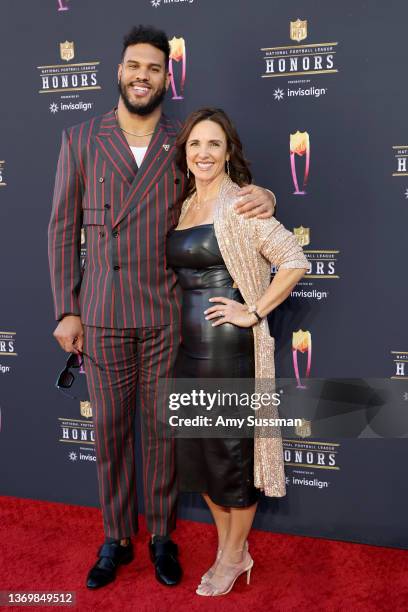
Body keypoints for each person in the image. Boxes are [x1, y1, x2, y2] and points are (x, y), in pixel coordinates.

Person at [47, 26, 277, 590]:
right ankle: (117, 536)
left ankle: (161, 538)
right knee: (108, 432)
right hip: (100, 311)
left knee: (161, 433)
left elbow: (220, 192)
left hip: (163, 314)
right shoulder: (79, 138)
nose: (142, 76)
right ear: (119, 72)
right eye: (134, 66)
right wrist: (65, 309)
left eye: (153, 68)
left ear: (165, 77)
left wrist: (264, 197)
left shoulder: (184, 140)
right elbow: (61, 230)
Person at [166, 107, 309, 596]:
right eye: (195, 145)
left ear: (228, 153)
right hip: (187, 354)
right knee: (203, 459)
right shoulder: (182, 204)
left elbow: (293, 259)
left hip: (232, 354)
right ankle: (231, 547)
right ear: (184, 152)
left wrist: (253, 310)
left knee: (233, 459)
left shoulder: (240, 204)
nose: (203, 153)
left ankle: (232, 555)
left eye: (214, 145)